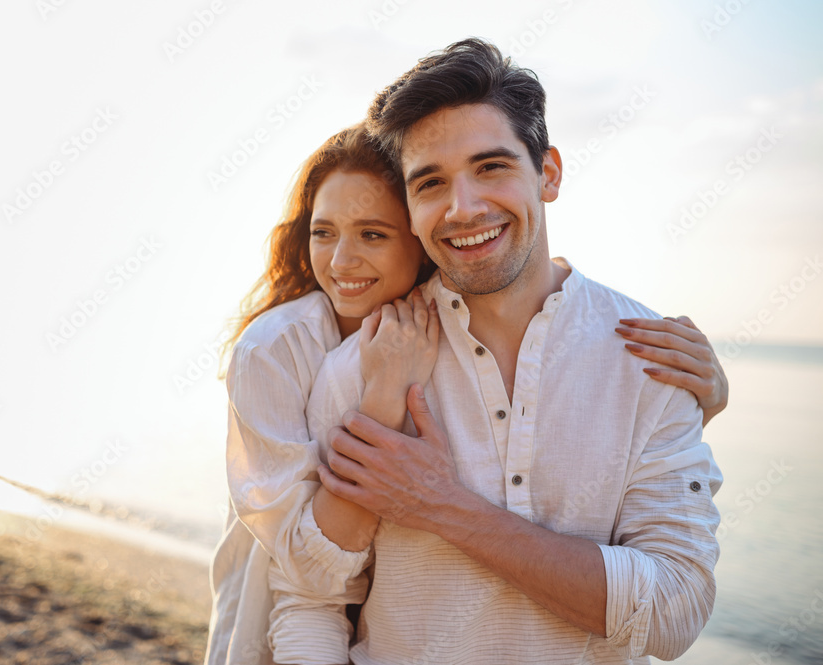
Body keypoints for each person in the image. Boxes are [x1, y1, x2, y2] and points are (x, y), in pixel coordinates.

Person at [271, 38, 726, 664]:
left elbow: (675, 610)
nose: (464, 208)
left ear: (550, 173)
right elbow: (309, 592)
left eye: (492, 167)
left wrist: (446, 508)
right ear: (408, 205)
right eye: (430, 183)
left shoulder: (653, 358)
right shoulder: (369, 360)